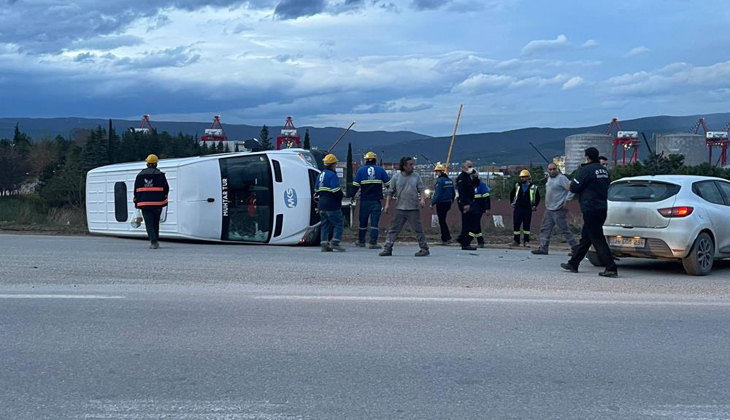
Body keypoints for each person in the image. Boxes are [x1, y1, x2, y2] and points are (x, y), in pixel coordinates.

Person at [561, 147, 618, 277]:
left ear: (587, 157)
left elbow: (575, 187)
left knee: (597, 238)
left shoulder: (586, 170)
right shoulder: (603, 170)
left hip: (590, 208)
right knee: (586, 238)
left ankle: (611, 267)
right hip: (602, 207)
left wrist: (569, 186)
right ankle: (573, 263)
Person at [379, 157, 429, 257]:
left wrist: (422, 200)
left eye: (412, 164)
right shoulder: (396, 177)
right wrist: (387, 205)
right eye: (410, 164)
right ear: (404, 166)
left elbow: (421, 189)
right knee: (393, 229)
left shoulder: (416, 176)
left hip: (413, 208)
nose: (412, 166)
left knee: (418, 229)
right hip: (400, 208)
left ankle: (424, 249)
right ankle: (388, 248)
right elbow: (390, 192)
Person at [531, 163, 578, 255]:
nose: (552, 171)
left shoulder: (561, 178)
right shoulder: (549, 179)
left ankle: (575, 248)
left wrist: (566, 201)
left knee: (564, 229)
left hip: (558, 208)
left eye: (554, 169)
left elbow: (572, 189)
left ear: (557, 169)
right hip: (549, 208)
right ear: (547, 170)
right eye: (550, 169)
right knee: (545, 229)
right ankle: (543, 248)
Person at [351, 151, 390, 249]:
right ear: (375, 160)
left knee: (363, 222)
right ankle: (373, 243)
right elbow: (389, 185)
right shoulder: (380, 170)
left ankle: (361, 241)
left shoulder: (361, 170)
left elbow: (355, 186)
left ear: (366, 160)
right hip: (376, 201)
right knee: (374, 223)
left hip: (364, 201)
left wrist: (351, 196)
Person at [133, 154, 169, 249]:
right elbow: (166, 188)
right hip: (158, 204)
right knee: (155, 222)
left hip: (144, 204)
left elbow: (136, 190)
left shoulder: (140, 176)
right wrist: (164, 198)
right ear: (156, 164)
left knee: (149, 224)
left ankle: (153, 242)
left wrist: (136, 202)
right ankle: (155, 240)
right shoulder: (160, 175)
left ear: (147, 163)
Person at [315, 153, 346, 252]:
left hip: (322, 204)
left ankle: (324, 244)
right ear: (332, 164)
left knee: (325, 224)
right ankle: (335, 242)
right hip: (332, 204)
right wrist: (341, 195)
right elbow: (335, 190)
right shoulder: (332, 175)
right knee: (339, 223)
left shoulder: (320, 175)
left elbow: (316, 189)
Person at [509, 169, 540, 247]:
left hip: (528, 209)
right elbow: (512, 194)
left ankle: (526, 241)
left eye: (524, 177)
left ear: (528, 177)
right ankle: (516, 241)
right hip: (518, 208)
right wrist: (512, 203)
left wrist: (535, 205)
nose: (523, 179)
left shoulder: (533, 187)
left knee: (526, 226)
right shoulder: (517, 186)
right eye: (522, 177)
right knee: (516, 225)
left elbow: (538, 198)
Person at [430, 163, 455, 245]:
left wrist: (432, 203)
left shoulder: (440, 181)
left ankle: (445, 238)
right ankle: (447, 237)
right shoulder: (449, 180)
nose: (436, 173)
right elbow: (453, 193)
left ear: (439, 172)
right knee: (443, 220)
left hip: (441, 203)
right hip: (448, 202)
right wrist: (451, 201)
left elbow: (438, 194)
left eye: (436, 172)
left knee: (442, 221)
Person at [456, 160, 478, 251]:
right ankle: (465, 243)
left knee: (470, 222)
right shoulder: (462, 178)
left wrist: (476, 177)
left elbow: (475, 185)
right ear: (463, 167)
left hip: (470, 202)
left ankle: (462, 239)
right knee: (467, 223)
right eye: (469, 166)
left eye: (471, 166)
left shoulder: (469, 177)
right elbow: (462, 192)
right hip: (465, 203)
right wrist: (465, 204)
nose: (471, 168)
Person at [472, 171, 491, 248]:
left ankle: (470, 239)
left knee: (475, 223)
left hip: (479, 208)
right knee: (476, 224)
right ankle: (480, 241)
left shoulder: (481, 185)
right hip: (472, 208)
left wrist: (487, 209)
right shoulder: (470, 185)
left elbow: (486, 198)